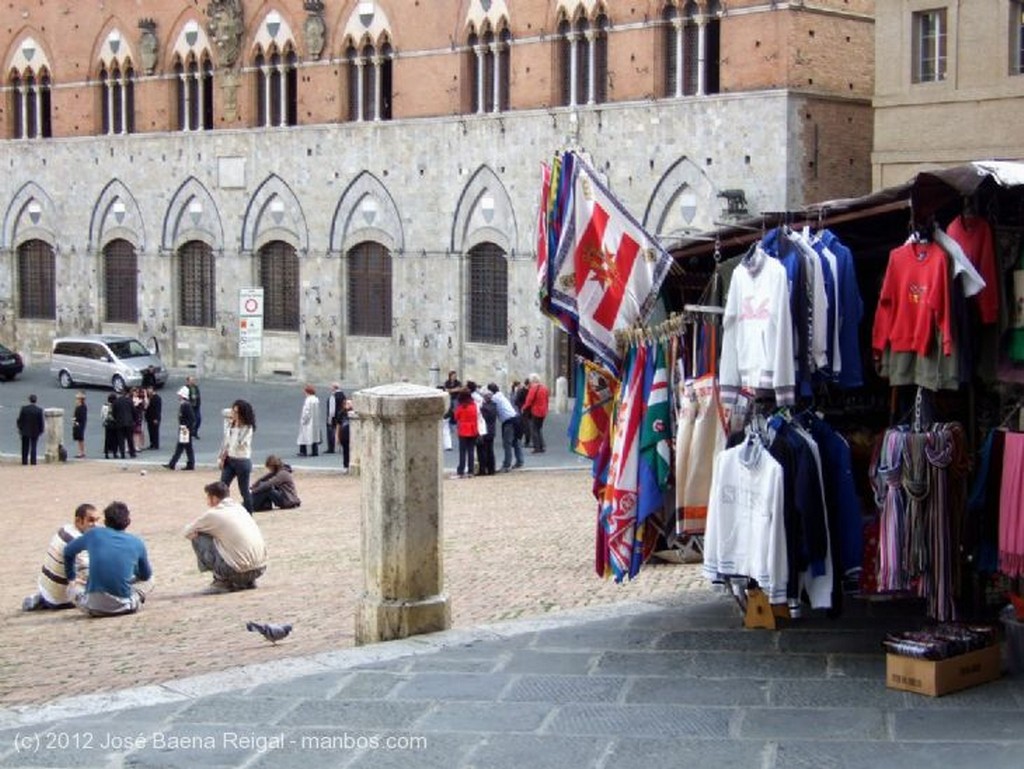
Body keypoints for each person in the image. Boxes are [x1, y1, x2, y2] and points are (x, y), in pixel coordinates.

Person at [63, 501, 153, 617]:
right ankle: (135, 597)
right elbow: (145, 576)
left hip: (93, 607)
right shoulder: (137, 542)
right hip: (125, 606)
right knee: (151, 580)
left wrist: (72, 578)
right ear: (127, 522)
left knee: (72, 589)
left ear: (105, 521)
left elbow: (68, 551)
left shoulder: (94, 534)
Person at [184, 481, 267, 592]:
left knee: (199, 536)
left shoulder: (213, 514)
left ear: (214, 498)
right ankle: (248, 581)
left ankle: (221, 580)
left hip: (237, 571)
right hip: (260, 569)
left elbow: (187, 531)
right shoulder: (240, 508)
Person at [22, 503, 102, 611]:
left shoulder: (65, 529)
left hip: (46, 588)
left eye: (97, 520)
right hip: (62, 598)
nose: (96, 525)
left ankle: (45, 599)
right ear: (78, 521)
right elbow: (89, 573)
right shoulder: (78, 543)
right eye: (91, 521)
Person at [220, 399, 256, 513]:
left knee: (244, 490)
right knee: (222, 486)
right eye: (233, 411)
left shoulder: (247, 427)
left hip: (242, 460)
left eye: (236, 412)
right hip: (230, 459)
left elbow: (239, 442)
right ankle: (223, 512)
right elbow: (226, 442)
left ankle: (249, 513)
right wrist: (222, 456)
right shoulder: (230, 424)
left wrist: (237, 427)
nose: (234, 414)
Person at [488, 382, 524, 471]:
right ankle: (520, 461)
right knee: (516, 442)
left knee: (507, 443)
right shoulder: (501, 395)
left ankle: (507, 464)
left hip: (509, 421)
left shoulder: (495, 398)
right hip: (515, 418)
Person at [164, 386, 197, 471]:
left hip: (185, 429)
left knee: (183, 447)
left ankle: (174, 463)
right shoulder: (185, 405)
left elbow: (192, 418)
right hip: (184, 429)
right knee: (184, 447)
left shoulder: (186, 405)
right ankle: (178, 463)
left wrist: (186, 427)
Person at [453, 389, 479, 478]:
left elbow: (456, 417)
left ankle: (461, 470)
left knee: (462, 452)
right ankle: (470, 471)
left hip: (463, 429)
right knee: (471, 451)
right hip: (472, 429)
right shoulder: (474, 405)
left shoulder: (461, 407)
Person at [522, 373, 550, 453]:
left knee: (534, 429)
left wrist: (524, 408)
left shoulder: (533, 388)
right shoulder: (544, 388)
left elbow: (529, 400)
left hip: (536, 410)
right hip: (543, 411)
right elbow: (547, 399)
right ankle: (541, 446)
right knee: (539, 428)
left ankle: (537, 447)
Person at [16, 393, 45, 466]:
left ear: (29, 400)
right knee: (34, 446)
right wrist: (41, 430)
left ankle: (24, 461)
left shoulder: (24, 409)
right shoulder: (39, 410)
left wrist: (20, 428)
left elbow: (20, 420)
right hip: (35, 430)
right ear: (36, 401)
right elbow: (40, 421)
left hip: (25, 430)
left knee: (25, 446)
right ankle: (33, 461)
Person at [296, 384, 321, 457]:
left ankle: (303, 451)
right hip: (315, 421)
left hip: (308, 421)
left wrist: (303, 420)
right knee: (314, 436)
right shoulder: (316, 399)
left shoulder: (308, 400)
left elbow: (306, 411)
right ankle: (315, 451)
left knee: (303, 437)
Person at [476, 390, 497, 476]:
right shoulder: (494, 406)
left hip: (483, 430)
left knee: (482, 451)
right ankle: (491, 469)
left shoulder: (483, 408)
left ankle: (482, 469)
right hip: (491, 430)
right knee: (490, 451)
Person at [112, 389, 136, 459]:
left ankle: (122, 454)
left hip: (119, 423)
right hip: (129, 422)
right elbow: (133, 411)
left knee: (121, 439)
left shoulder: (116, 402)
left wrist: (116, 419)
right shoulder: (129, 401)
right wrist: (134, 420)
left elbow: (114, 413)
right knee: (130, 438)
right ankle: (132, 453)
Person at [325, 382, 345, 454]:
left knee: (331, 432)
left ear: (334, 387)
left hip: (334, 417)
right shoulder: (343, 395)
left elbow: (332, 410)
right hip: (341, 415)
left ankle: (331, 448)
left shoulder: (333, 396)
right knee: (341, 431)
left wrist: (330, 418)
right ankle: (341, 446)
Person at [338, 397, 354, 473]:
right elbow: (338, 425)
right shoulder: (341, 413)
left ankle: (351, 464)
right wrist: (337, 437)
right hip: (344, 436)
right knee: (345, 451)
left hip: (352, 436)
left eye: (350, 403)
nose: (348, 405)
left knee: (352, 451)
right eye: (347, 403)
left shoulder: (354, 413)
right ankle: (346, 465)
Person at [101, 393, 118, 459]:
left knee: (107, 438)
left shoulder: (104, 406)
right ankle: (114, 453)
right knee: (115, 439)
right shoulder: (115, 405)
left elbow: (102, 415)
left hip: (107, 424)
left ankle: (106, 453)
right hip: (114, 424)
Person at [145, 386, 162, 450]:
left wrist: (156, 418)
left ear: (152, 390)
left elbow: (157, 409)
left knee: (155, 431)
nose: (148, 391)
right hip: (149, 417)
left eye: (149, 389)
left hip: (154, 417)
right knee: (150, 431)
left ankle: (156, 444)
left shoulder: (157, 398)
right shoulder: (149, 397)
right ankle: (152, 443)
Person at [72, 392, 88, 458]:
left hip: (80, 424)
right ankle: (81, 452)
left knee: (80, 438)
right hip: (78, 424)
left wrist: (76, 422)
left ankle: (81, 452)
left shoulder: (82, 407)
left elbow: (81, 417)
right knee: (79, 439)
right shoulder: (79, 406)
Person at [186, 375, 202, 439]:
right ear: (188, 381)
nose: (193, 381)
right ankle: (188, 433)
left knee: (198, 419)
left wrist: (198, 400)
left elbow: (198, 395)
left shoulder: (196, 387)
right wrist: (190, 397)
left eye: (194, 380)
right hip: (189, 407)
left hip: (196, 406)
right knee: (189, 421)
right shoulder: (185, 388)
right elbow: (182, 397)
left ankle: (194, 432)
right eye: (191, 380)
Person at [131, 387, 147, 452]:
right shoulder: (130, 400)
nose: (136, 393)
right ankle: (129, 447)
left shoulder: (140, 400)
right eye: (135, 392)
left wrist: (145, 395)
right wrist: (136, 404)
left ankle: (137, 446)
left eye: (137, 392)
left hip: (138, 418)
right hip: (131, 418)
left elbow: (145, 406)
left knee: (137, 433)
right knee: (131, 433)